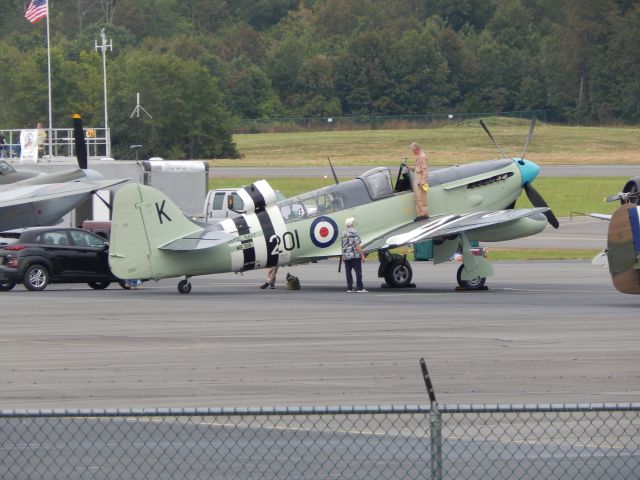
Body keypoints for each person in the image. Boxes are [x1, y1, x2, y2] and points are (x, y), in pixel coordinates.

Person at [341, 217, 367, 293]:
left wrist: (343, 255)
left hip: (346, 256)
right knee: (358, 272)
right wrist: (362, 255)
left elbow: (342, 245)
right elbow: (357, 245)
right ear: (352, 224)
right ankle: (360, 288)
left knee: (348, 273)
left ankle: (349, 288)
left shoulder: (343, 233)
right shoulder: (354, 232)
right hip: (355, 256)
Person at [406, 141, 429, 220]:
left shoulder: (422, 157)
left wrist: (423, 181)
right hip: (417, 179)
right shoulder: (419, 156)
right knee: (417, 198)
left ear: (416, 149)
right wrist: (410, 167)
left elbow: (425, 170)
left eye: (412, 150)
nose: (412, 152)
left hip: (420, 181)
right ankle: (419, 215)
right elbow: (417, 168)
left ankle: (424, 214)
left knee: (421, 198)